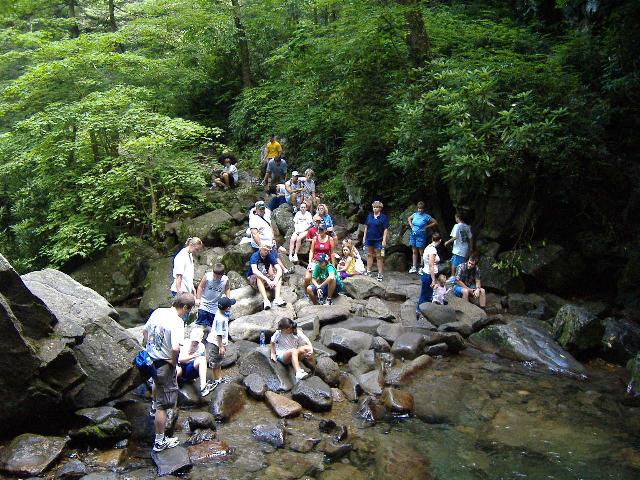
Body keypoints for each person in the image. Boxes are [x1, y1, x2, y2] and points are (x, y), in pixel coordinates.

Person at [142, 292, 195, 452]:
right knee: (163, 406)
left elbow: (145, 332)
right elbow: (175, 348)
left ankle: (152, 406)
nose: (188, 313)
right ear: (185, 307)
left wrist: (149, 348)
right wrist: (173, 362)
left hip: (150, 359)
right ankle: (160, 441)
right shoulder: (177, 322)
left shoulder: (158, 312)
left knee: (155, 383)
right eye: (189, 310)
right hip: (164, 363)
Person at [205, 296, 236, 385]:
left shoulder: (221, 312)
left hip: (217, 342)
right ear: (228, 307)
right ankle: (216, 380)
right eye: (230, 306)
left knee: (219, 362)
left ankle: (218, 377)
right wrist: (221, 347)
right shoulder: (221, 319)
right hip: (216, 344)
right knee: (215, 363)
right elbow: (219, 334)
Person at [195, 263, 231, 337]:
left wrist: (228, 301)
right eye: (214, 276)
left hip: (215, 305)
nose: (215, 278)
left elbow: (227, 289)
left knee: (212, 326)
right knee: (201, 323)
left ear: (222, 275)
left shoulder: (225, 280)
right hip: (204, 303)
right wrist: (198, 299)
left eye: (218, 277)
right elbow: (200, 287)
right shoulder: (207, 276)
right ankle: (198, 338)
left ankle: (208, 339)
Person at [177, 328, 215, 397]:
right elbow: (180, 359)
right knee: (177, 369)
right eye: (193, 341)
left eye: (197, 342)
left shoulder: (201, 347)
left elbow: (204, 360)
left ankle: (203, 386)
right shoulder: (185, 343)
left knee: (202, 359)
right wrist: (193, 356)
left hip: (191, 369)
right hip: (181, 367)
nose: (194, 343)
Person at [247, 243, 286, 310]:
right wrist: (268, 280)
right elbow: (255, 271)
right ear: (260, 249)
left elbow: (279, 269)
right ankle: (266, 300)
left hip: (265, 276)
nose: (266, 252)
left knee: (278, 276)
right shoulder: (255, 256)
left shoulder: (269, 256)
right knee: (259, 276)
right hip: (254, 278)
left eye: (268, 250)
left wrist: (275, 280)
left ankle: (277, 298)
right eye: (265, 250)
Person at [416, 233, 442, 320]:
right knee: (426, 295)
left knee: (425, 294)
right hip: (428, 275)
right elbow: (431, 265)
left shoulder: (428, 247)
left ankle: (419, 311)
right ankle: (421, 312)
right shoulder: (433, 250)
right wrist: (433, 280)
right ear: (440, 240)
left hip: (426, 273)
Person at [363, 200, 390, 282]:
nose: (375, 209)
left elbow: (385, 229)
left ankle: (380, 273)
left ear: (380, 208)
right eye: (374, 207)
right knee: (369, 254)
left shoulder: (383, 217)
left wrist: (384, 240)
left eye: (377, 207)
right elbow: (366, 227)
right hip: (369, 238)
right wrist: (364, 237)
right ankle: (368, 271)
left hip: (379, 239)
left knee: (379, 256)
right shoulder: (369, 216)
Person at [407, 201, 438, 273]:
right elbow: (409, 218)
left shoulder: (426, 216)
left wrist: (427, 226)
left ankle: (422, 266)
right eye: (419, 208)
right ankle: (414, 266)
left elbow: (435, 222)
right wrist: (411, 225)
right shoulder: (415, 214)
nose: (420, 210)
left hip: (421, 235)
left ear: (423, 209)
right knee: (414, 251)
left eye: (421, 209)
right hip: (413, 234)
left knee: (421, 252)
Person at [304, 221, 335, 290]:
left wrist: (333, 265)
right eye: (319, 229)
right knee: (307, 278)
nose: (320, 231)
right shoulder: (315, 238)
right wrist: (310, 262)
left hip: (325, 262)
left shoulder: (330, 239)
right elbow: (311, 251)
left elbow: (332, 253)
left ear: (325, 230)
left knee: (327, 278)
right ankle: (306, 291)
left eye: (322, 229)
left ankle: (320, 291)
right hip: (315, 260)